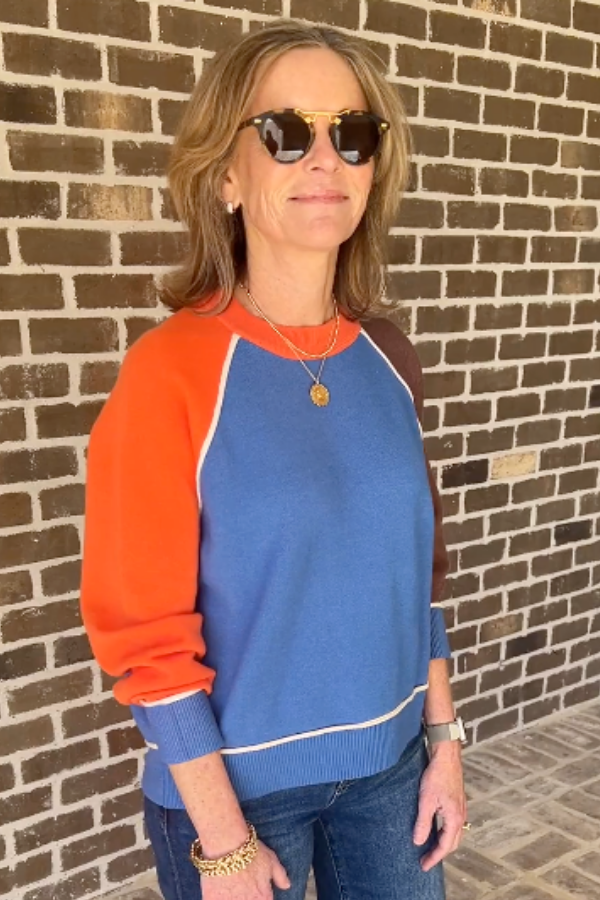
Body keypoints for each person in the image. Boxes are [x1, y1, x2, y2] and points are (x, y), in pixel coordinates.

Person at [80, 18, 468, 900]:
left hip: (392, 774)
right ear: (226, 173)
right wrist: (221, 841)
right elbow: (145, 637)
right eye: (286, 132)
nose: (326, 158)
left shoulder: (388, 359)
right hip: (239, 799)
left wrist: (443, 745)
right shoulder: (170, 373)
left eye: (354, 133)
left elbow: (420, 581)